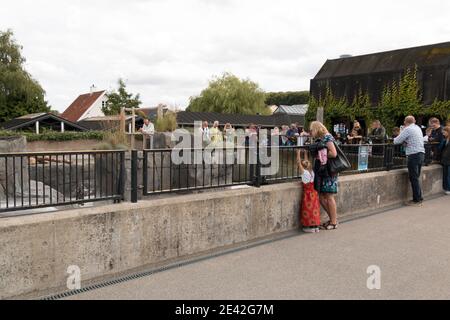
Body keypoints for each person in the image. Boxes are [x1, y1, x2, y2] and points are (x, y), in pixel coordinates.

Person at [309, 121, 339, 230]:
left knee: (329, 196)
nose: (310, 132)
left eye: (311, 130)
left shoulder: (327, 137)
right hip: (323, 171)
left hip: (330, 171)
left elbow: (334, 153)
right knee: (321, 196)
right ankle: (332, 219)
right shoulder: (321, 138)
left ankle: (334, 222)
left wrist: (320, 156)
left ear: (316, 129)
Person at [394, 116, 426, 206]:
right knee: (416, 177)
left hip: (413, 155)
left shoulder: (407, 129)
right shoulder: (417, 128)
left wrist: (400, 136)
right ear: (414, 121)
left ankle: (417, 200)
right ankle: (419, 197)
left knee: (413, 178)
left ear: (405, 122)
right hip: (421, 153)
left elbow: (396, 141)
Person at [297, 149, 321, 233]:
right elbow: (306, 162)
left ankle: (309, 227)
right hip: (314, 193)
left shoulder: (304, 173)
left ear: (302, 167)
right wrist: (306, 153)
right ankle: (316, 226)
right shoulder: (312, 172)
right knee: (314, 209)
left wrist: (298, 153)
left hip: (307, 195)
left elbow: (298, 163)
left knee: (307, 210)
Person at [440, 126, 450, 195]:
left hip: (449, 159)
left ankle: (448, 189)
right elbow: (440, 148)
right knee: (445, 175)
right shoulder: (444, 139)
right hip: (445, 159)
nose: (443, 133)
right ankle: (446, 188)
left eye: (444, 132)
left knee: (448, 175)